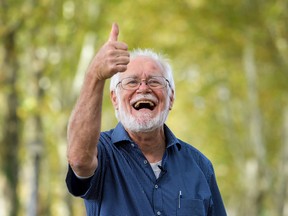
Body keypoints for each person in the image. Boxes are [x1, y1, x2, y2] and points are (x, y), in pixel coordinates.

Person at [66, 23, 227, 216]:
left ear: (171, 98)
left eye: (154, 81)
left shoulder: (200, 166)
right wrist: (95, 75)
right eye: (132, 81)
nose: (143, 88)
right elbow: (78, 159)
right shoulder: (102, 153)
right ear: (115, 99)